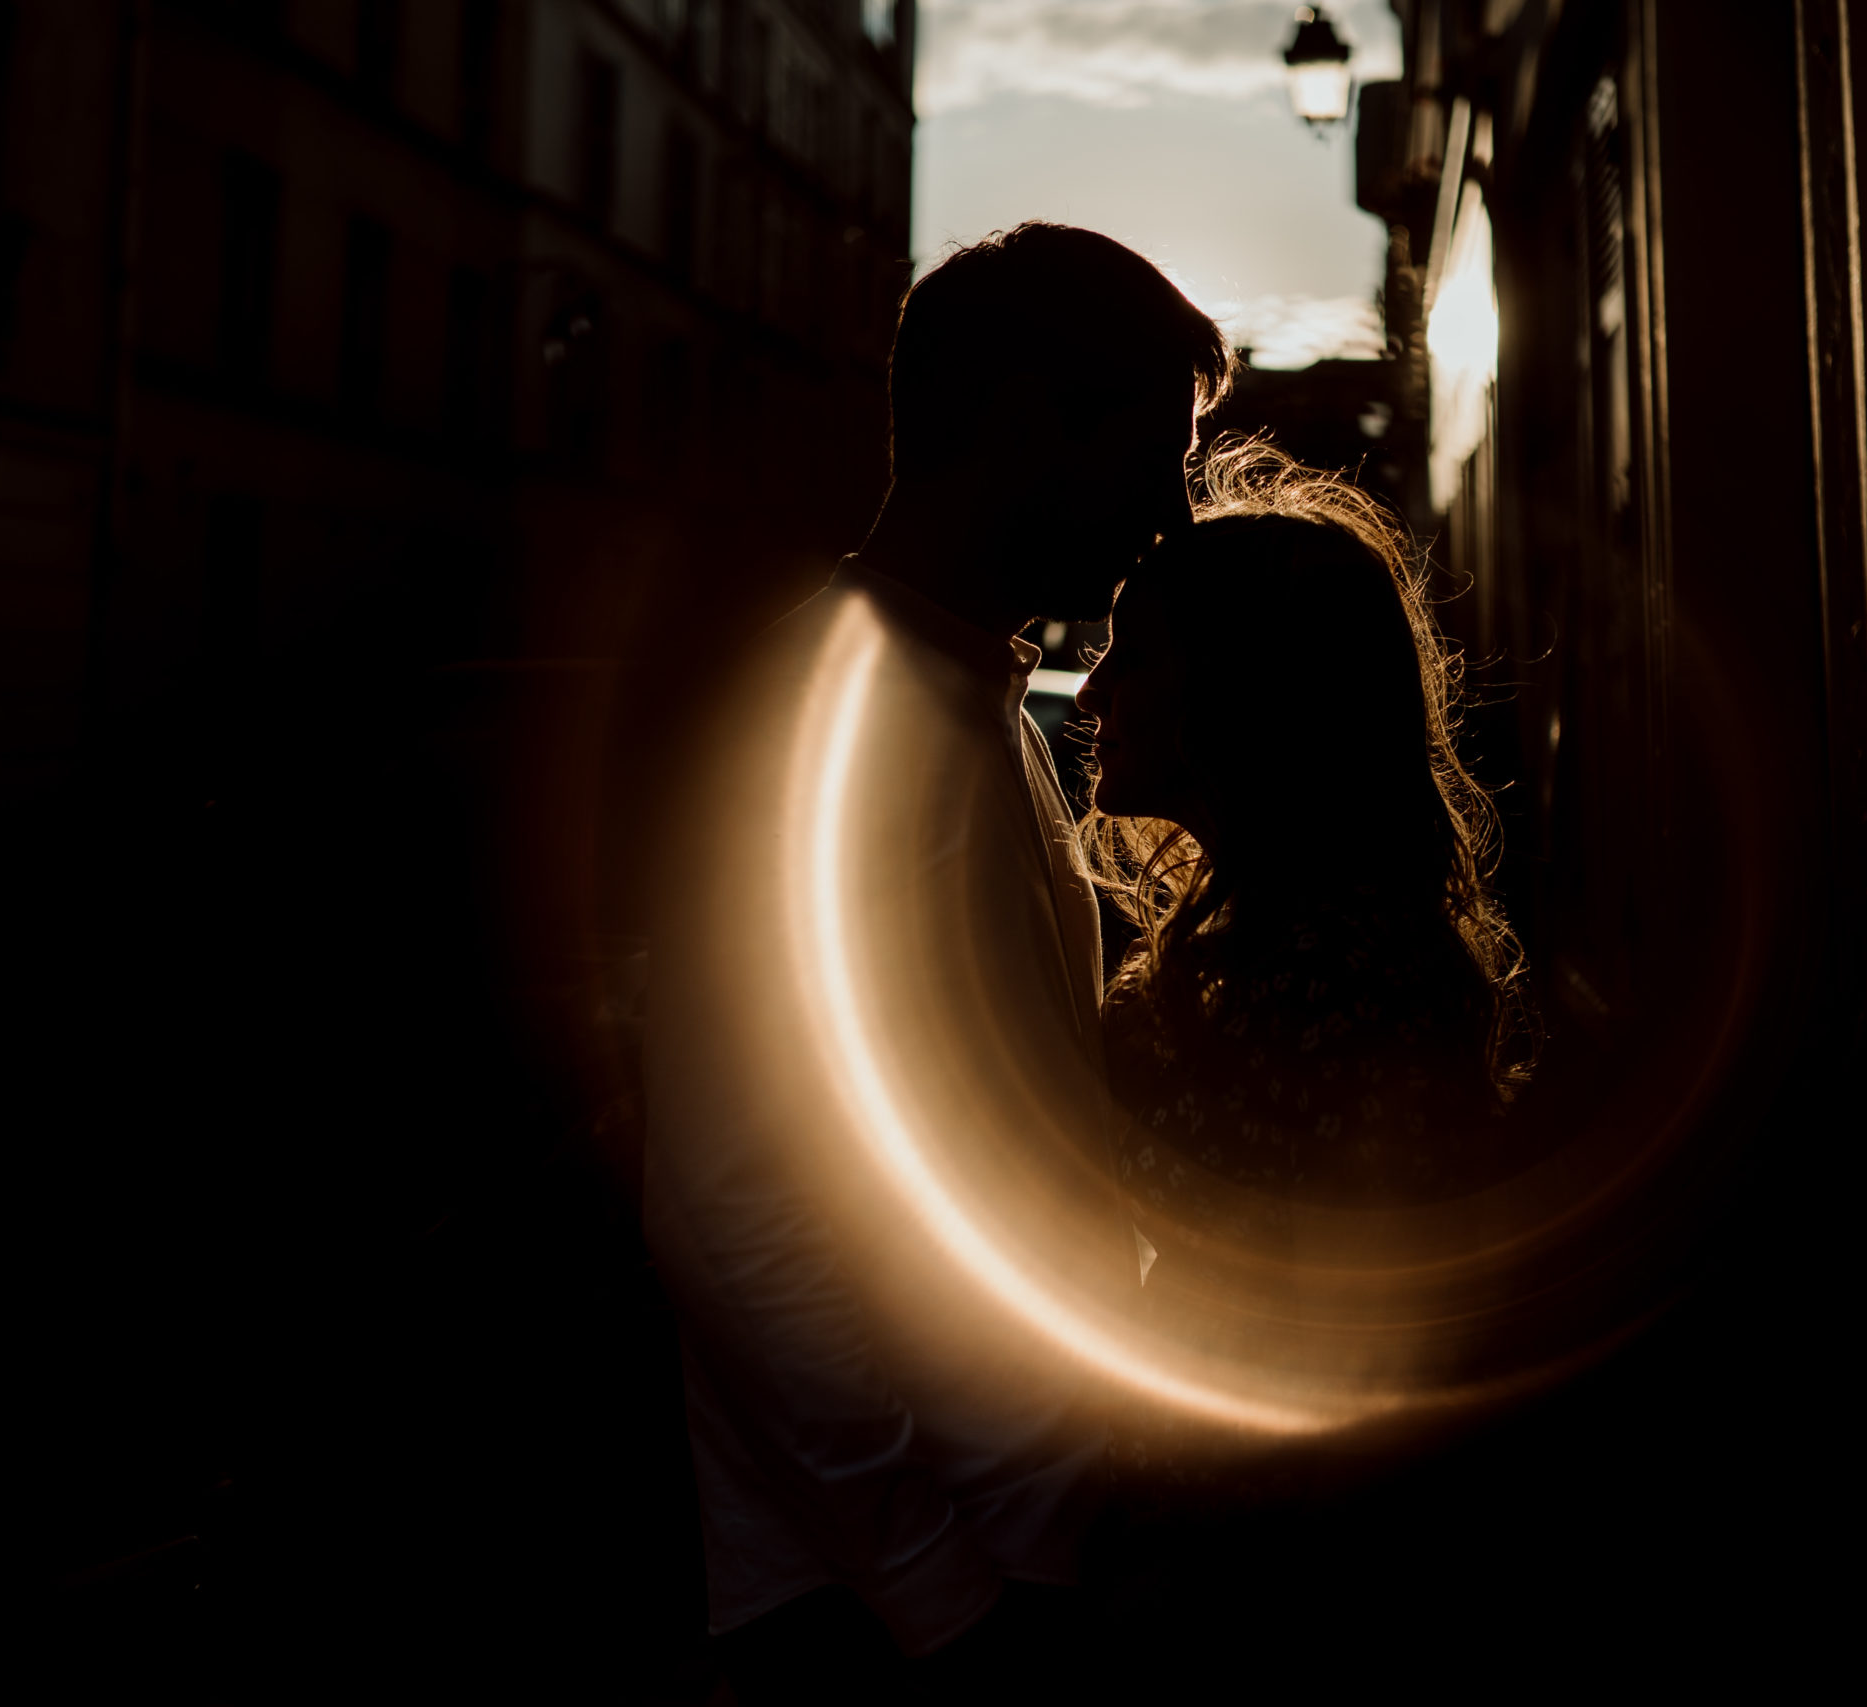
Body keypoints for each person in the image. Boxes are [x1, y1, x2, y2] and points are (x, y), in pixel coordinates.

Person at [641, 224, 1233, 1702]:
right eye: (1150, 453)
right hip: (886, 1605)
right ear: (1029, 420)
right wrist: (935, 1585)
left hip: (987, 1551)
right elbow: (731, 1202)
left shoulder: (970, 704)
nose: (1166, 513)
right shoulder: (826, 718)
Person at [1070, 441, 1534, 1688]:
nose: (1089, 694)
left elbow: (1323, 1350)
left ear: (1236, 692)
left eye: (1134, 651)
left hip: (1269, 1601)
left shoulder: (1338, 972)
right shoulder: (1278, 936)